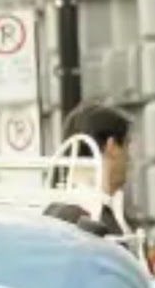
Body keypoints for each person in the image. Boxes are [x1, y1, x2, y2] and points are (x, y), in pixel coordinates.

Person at [44, 101, 135, 239]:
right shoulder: (92, 219)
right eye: (126, 146)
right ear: (111, 147)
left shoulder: (55, 210)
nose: (129, 158)